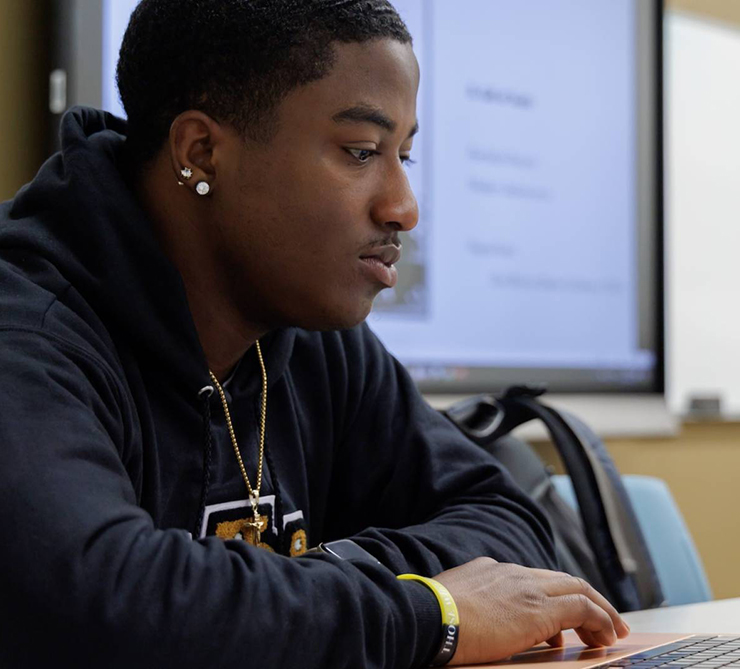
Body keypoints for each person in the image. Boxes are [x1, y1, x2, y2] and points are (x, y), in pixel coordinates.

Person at [0, 0, 629, 666]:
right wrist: (425, 612)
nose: (403, 208)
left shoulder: (306, 328)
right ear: (201, 153)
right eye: (361, 152)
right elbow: (95, 606)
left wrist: (312, 587)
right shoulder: (30, 330)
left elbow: (508, 520)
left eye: (403, 156)